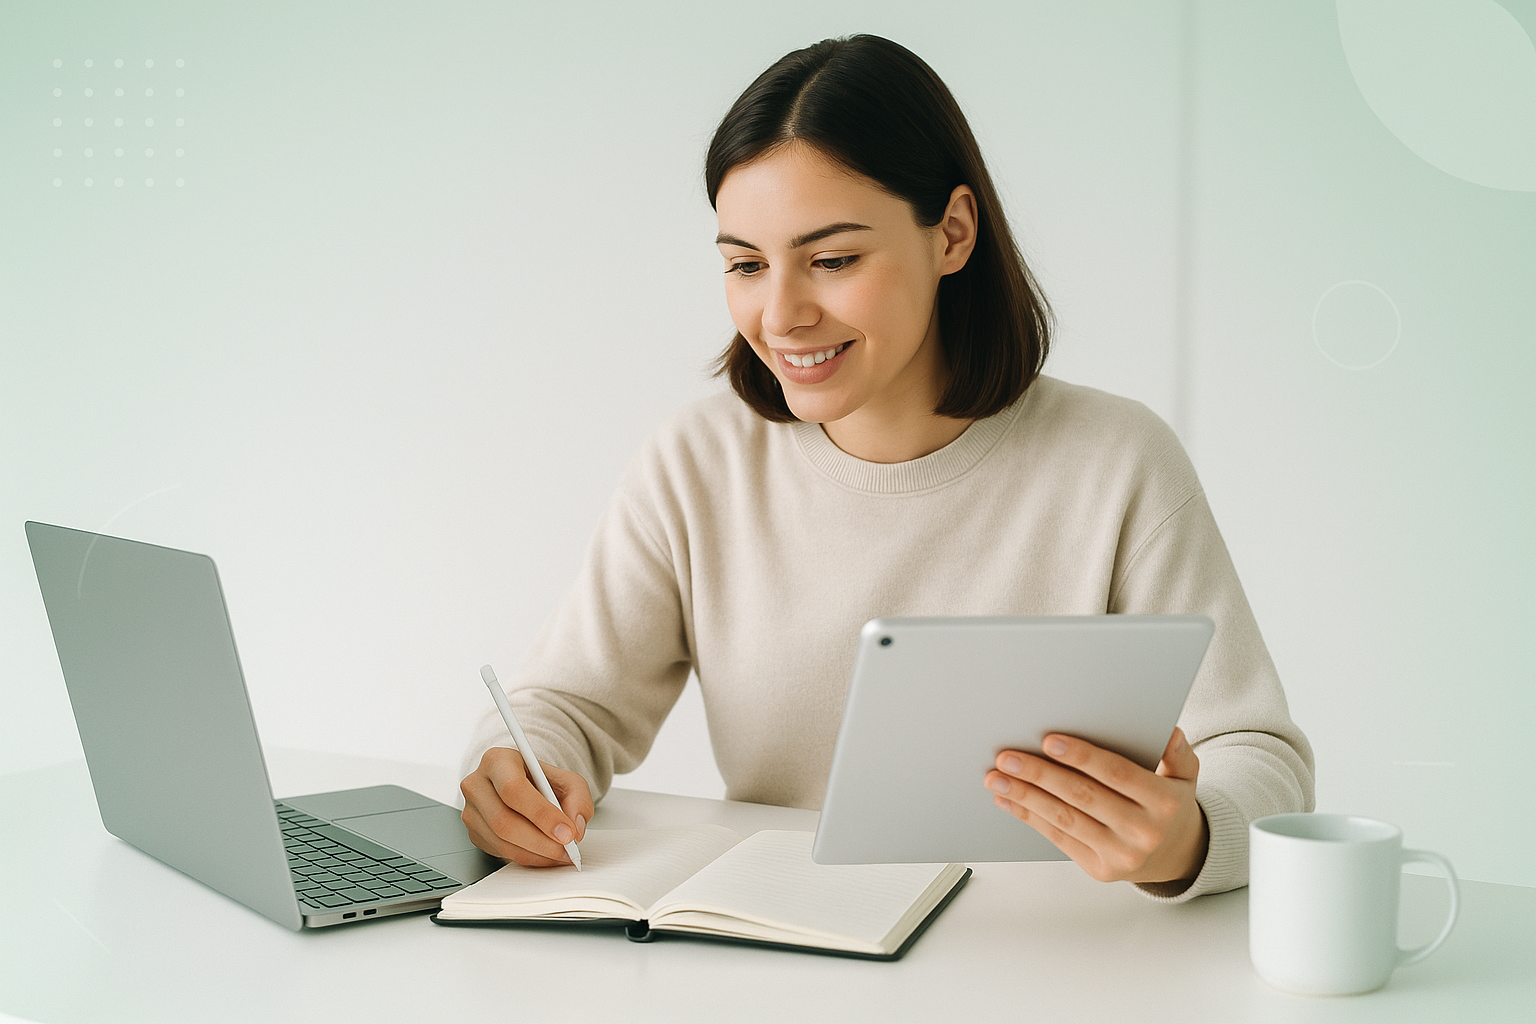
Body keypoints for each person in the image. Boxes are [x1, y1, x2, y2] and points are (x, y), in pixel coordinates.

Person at [458, 34, 1313, 900]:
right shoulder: (696, 465)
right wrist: (516, 766)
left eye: (832, 260)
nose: (782, 314)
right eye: (746, 265)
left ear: (952, 233)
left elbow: (1260, 758)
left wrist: (1189, 841)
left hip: (1044, 964)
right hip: (779, 941)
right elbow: (566, 706)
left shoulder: (1118, 463)